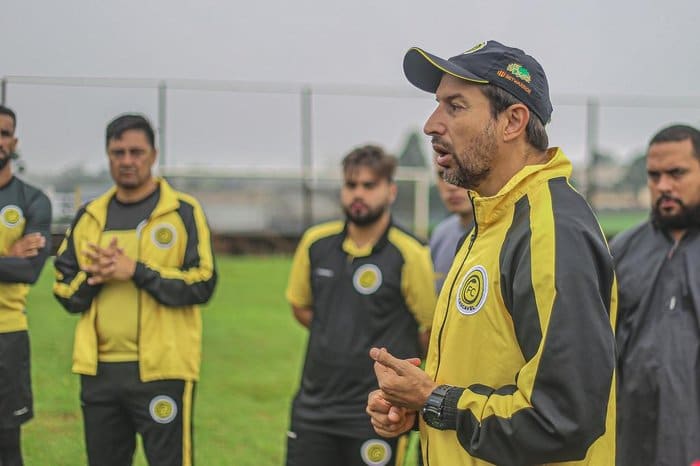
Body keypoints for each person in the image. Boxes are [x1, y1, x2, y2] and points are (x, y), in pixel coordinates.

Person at [366, 40, 617, 465]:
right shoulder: (488, 224)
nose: (431, 124)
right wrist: (417, 405)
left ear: (512, 121)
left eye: (455, 106)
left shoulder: (550, 230)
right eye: (437, 105)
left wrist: (434, 399)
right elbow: (490, 378)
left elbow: (562, 419)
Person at [53, 113, 217, 466]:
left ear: (153, 155)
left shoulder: (182, 212)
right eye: (118, 152)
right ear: (109, 155)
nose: (127, 161)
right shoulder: (89, 216)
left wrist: (136, 271)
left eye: (136, 152)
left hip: (163, 371)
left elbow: (203, 283)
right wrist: (94, 275)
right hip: (99, 374)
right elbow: (64, 292)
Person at [284, 145, 436, 466]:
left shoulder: (410, 253)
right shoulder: (315, 243)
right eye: (351, 185)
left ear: (391, 191)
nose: (358, 194)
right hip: (314, 407)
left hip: (377, 410)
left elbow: (430, 328)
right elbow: (300, 306)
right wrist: (342, 331)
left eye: (369, 186)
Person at [612, 124, 700, 465]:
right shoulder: (622, 250)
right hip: (632, 443)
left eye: (676, 173)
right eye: (654, 175)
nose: (663, 186)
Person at [0, 105, 52, 466]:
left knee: (7, 444)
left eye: (4, 133)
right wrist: (8, 255)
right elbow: (15, 265)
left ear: (14, 141)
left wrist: (20, 260)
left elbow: (30, 270)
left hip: (8, 336)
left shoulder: (33, 200)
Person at [430, 163, 473, 294]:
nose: (451, 185)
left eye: (462, 171)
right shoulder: (441, 235)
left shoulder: (507, 235)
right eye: (442, 174)